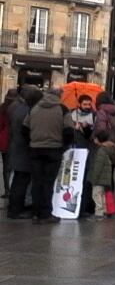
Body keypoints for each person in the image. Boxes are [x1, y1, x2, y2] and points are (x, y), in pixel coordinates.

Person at [23, 88, 74, 224]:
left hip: (35, 149)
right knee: (48, 182)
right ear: (59, 96)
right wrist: (63, 146)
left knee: (36, 182)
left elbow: (24, 128)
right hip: (54, 150)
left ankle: (35, 213)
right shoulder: (63, 109)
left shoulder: (34, 108)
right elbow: (69, 131)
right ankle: (46, 213)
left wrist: (31, 142)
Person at [6, 86, 42, 219]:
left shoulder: (17, 108)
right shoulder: (27, 111)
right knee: (21, 182)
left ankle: (14, 208)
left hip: (17, 149)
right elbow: (27, 131)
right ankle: (16, 210)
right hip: (23, 151)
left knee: (17, 181)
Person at [89, 130, 115, 221]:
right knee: (103, 195)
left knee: (96, 195)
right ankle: (104, 211)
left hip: (100, 178)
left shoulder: (101, 150)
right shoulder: (110, 148)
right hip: (106, 178)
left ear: (98, 139)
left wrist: (94, 179)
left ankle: (99, 213)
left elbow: (98, 166)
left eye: (95, 138)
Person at [0, 89, 16, 198]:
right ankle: (13, 189)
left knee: (6, 167)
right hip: (15, 140)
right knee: (15, 167)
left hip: (4, 140)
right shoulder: (18, 107)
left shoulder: (2, 108)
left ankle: (7, 190)